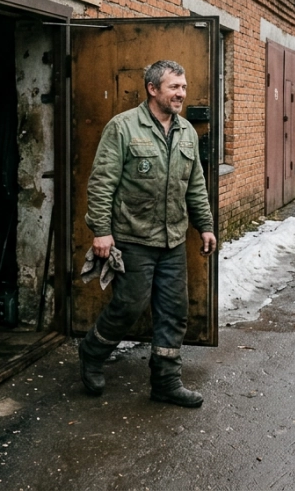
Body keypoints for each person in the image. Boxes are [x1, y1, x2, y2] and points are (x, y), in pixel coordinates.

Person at [79, 60, 217, 408]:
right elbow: (101, 183)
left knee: (174, 310)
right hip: (133, 236)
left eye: (183, 87)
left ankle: (166, 381)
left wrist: (206, 226)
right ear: (153, 89)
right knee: (129, 306)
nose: (181, 94)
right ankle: (92, 352)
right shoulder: (123, 127)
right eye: (174, 87)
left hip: (171, 240)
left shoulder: (186, 131)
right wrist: (102, 232)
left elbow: (195, 185)